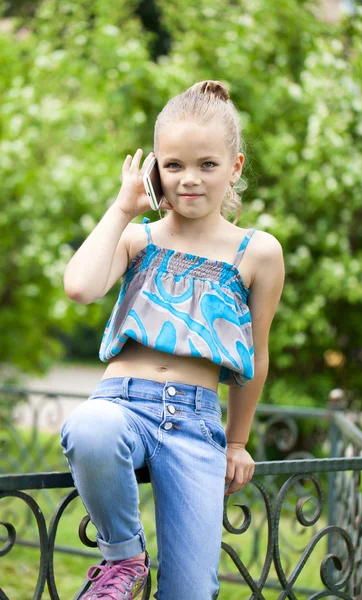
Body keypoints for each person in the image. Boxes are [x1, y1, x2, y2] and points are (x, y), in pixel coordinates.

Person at [60, 80, 285, 600]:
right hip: (122, 405)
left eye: (207, 165)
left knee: (190, 592)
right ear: (155, 168)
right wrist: (122, 208)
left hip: (195, 424)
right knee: (90, 428)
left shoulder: (258, 252)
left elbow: (257, 355)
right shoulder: (139, 237)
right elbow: (79, 287)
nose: (189, 179)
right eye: (173, 164)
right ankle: (123, 558)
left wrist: (236, 440)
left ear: (235, 167)